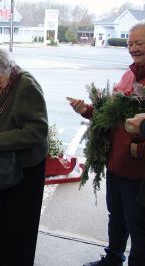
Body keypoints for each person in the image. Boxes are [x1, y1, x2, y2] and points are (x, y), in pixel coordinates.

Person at [69, 23, 145, 266]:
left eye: (139, 43)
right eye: (130, 43)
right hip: (116, 164)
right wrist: (87, 110)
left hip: (138, 172)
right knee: (117, 217)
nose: (133, 48)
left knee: (139, 227)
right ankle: (113, 258)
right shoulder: (129, 75)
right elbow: (108, 116)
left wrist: (137, 150)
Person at [0, 46, 48, 266]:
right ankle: (2, 259)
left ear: (8, 68)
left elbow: (37, 130)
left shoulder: (27, 86)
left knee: (21, 224)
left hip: (26, 166)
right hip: (0, 162)